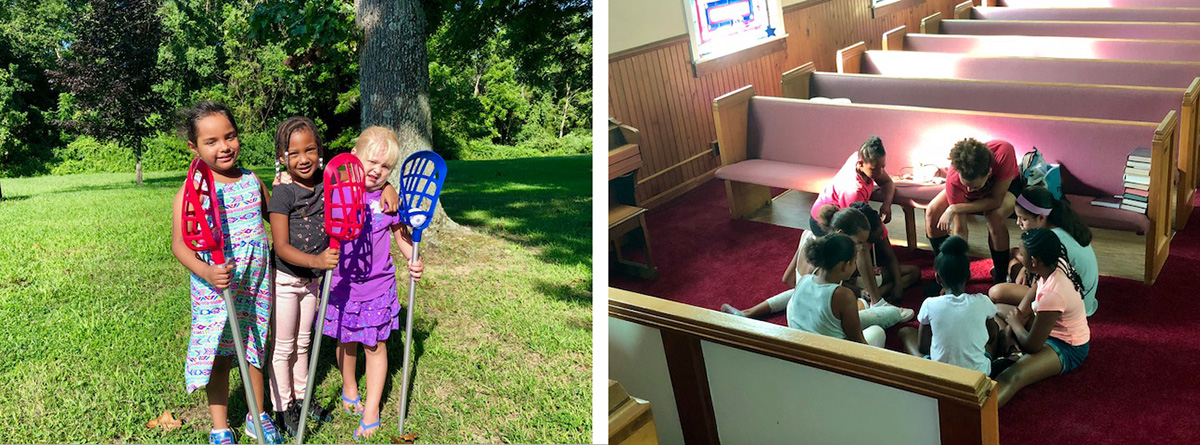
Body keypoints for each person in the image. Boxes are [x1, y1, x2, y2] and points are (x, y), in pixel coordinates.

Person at [265, 117, 399, 436]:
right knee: (284, 346)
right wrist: (317, 260)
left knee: (303, 342)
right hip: (288, 278)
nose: (304, 158)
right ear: (282, 157)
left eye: (310, 150)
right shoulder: (284, 192)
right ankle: (283, 406)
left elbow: (365, 183)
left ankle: (301, 398)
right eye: (294, 153)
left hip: (313, 281)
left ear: (320, 152)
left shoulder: (329, 186)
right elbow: (280, 244)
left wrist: (388, 186)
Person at [169, 101, 282, 444]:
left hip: (255, 282)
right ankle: (219, 427)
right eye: (212, 141)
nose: (224, 147)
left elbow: (274, 216)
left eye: (230, 136)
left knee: (254, 346)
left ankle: (257, 416)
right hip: (215, 286)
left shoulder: (251, 180)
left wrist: (287, 191)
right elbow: (180, 245)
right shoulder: (192, 193)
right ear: (194, 147)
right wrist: (206, 271)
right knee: (218, 354)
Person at [323, 126, 425, 440]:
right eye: (372, 162)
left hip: (378, 288)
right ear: (354, 156)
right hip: (342, 285)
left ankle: (371, 410)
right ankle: (350, 386)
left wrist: (414, 258)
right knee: (345, 340)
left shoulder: (388, 201)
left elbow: (401, 237)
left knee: (375, 345)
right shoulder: (337, 192)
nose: (377, 171)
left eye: (386, 167)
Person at [720, 207, 914, 328]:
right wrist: (858, 295)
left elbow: (792, 281)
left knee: (804, 290)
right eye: (859, 243)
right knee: (878, 314)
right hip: (823, 313)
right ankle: (879, 304)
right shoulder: (838, 258)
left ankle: (747, 313)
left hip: (806, 303)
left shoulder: (812, 239)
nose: (861, 247)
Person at [992, 228, 1090, 408]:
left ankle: (978, 414)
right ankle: (1009, 353)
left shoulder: (1053, 294)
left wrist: (1015, 325)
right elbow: (1031, 295)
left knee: (1013, 376)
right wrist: (1009, 330)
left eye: (1022, 254)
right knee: (996, 310)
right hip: (1048, 326)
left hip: (1067, 346)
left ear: (1034, 261)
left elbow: (1032, 345)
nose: (1020, 256)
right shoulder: (1052, 264)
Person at [925, 138, 1023, 285]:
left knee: (994, 216)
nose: (969, 190)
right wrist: (957, 264)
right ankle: (948, 270)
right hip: (977, 191)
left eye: (974, 186)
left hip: (1004, 187)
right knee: (932, 211)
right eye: (966, 185)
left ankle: (1000, 274)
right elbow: (961, 229)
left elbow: (995, 201)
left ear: (989, 172)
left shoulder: (1004, 152)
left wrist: (955, 208)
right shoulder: (954, 178)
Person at [989, 186, 1099, 316]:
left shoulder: (1051, 241)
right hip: (1074, 292)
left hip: (1073, 303)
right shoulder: (1061, 225)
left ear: (1041, 218)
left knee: (996, 292)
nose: (1018, 223)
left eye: (1023, 219)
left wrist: (1027, 271)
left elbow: (1043, 282)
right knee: (1014, 254)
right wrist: (1025, 269)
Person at [899, 236, 998, 375]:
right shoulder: (983, 301)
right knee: (988, 340)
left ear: (937, 278)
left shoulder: (929, 304)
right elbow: (992, 336)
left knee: (906, 332)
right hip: (978, 375)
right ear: (969, 275)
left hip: (941, 376)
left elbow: (923, 347)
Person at [786, 233, 887, 347]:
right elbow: (857, 341)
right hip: (828, 352)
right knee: (877, 331)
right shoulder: (843, 295)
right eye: (854, 262)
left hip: (799, 344)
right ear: (844, 266)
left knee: (862, 305)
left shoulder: (804, 279)